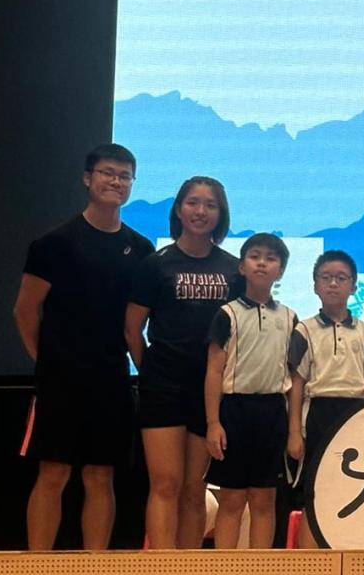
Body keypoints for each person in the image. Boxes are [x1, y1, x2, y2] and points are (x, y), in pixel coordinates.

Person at [13, 143, 154, 550]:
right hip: (60, 380)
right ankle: (37, 567)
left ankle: (95, 565)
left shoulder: (141, 249)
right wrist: (46, 361)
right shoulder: (53, 244)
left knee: (100, 475)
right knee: (53, 473)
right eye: (108, 173)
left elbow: (136, 323)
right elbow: (25, 310)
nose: (116, 181)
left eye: (124, 176)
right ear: (88, 178)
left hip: (111, 379)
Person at [125, 176, 239, 549]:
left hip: (209, 393)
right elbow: (132, 329)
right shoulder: (154, 265)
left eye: (210, 205)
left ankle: (188, 567)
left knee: (194, 489)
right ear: (178, 209)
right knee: (165, 484)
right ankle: (161, 568)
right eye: (193, 202)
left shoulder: (234, 270)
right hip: (163, 389)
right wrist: (152, 373)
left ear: (220, 214)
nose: (200, 211)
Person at [204, 232, 297, 549]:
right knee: (232, 499)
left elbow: (293, 375)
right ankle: (226, 569)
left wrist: (292, 428)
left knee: (264, 500)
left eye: (271, 259)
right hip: (234, 412)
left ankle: (260, 568)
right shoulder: (227, 314)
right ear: (242, 266)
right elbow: (214, 371)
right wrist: (213, 423)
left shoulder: (289, 317)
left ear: (280, 271)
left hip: (272, 413)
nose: (262, 263)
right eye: (255, 256)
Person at [287, 250, 364, 548]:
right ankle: (308, 565)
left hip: (355, 415)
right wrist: (294, 433)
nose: (333, 284)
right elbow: (296, 383)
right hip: (318, 413)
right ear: (315, 285)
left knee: (353, 491)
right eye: (326, 278)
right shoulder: (304, 330)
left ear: (353, 286)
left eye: (341, 278)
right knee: (313, 493)